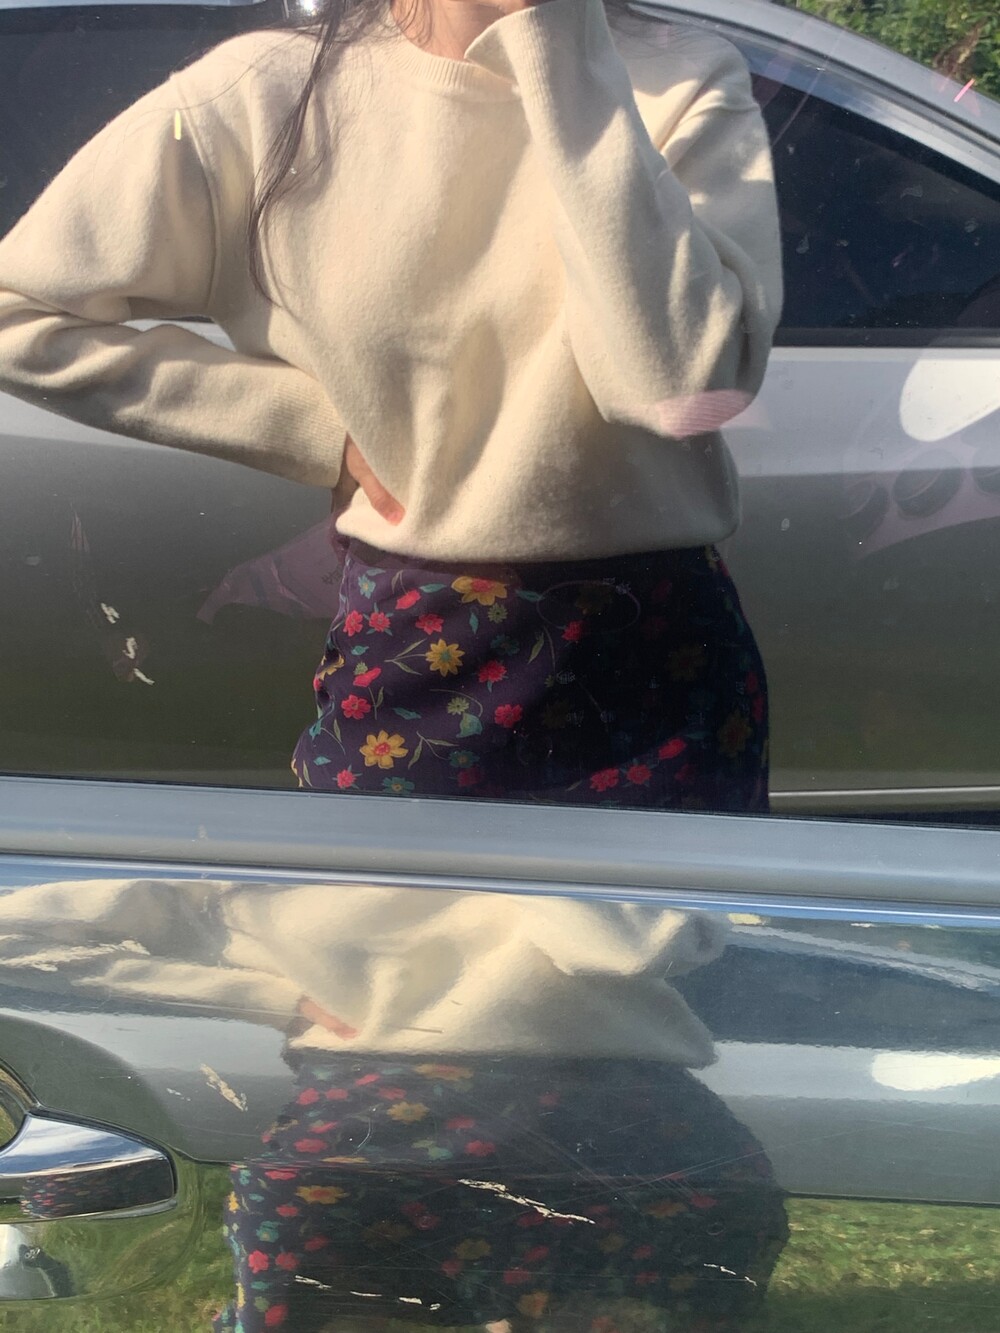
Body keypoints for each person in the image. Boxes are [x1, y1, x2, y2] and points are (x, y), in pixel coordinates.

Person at [0, 0, 782, 812]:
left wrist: (559, 50)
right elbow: (17, 312)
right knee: (375, 900)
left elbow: (677, 388)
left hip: (661, 667)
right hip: (421, 653)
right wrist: (310, 428)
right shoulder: (264, 94)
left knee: (671, 906)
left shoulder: (685, 78)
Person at [0, 872, 788, 1330]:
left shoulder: (569, 809)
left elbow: (630, 945)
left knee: (717, 1207)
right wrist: (262, 992)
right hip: (386, 1085)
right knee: (301, 1211)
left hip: (618, 1084)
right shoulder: (257, 854)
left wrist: (519, 827)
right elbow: (17, 927)